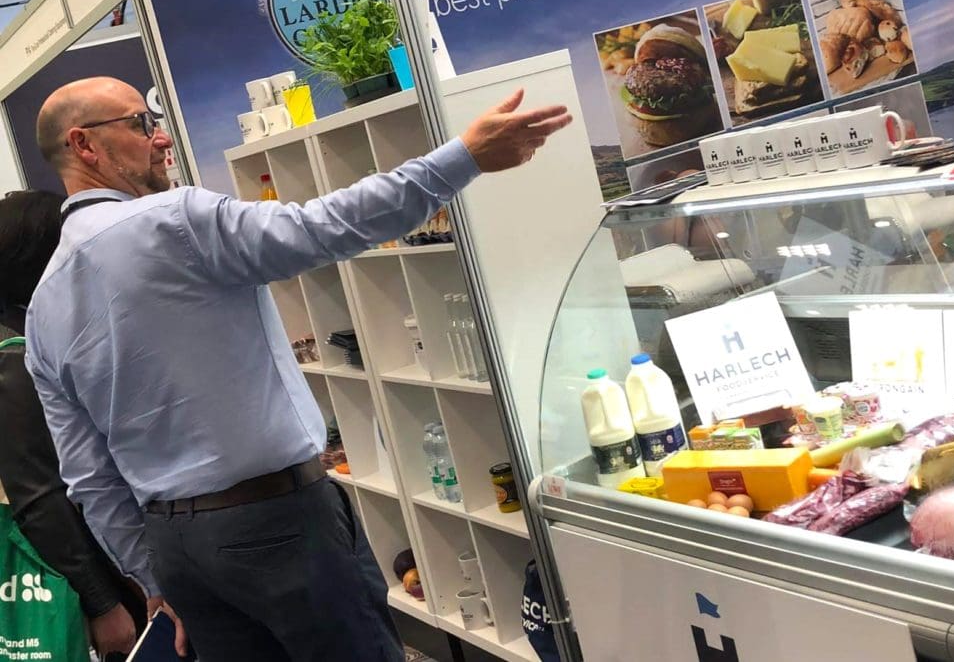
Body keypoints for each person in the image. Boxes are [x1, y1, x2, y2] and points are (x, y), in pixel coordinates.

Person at [25, 76, 572, 661]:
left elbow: (88, 477)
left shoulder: (42, 310)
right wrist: (462, 159)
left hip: (178, 551)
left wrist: (156, 581)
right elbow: (324, 227)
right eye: (140, 123)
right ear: (84, 144)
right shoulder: (175, 222)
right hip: (278, 523)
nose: (160, 138)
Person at [0, 189, 147, 659]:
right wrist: (103, 604)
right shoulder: (14, 356)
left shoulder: (36, 336)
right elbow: (39, 495)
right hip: (81, 579)